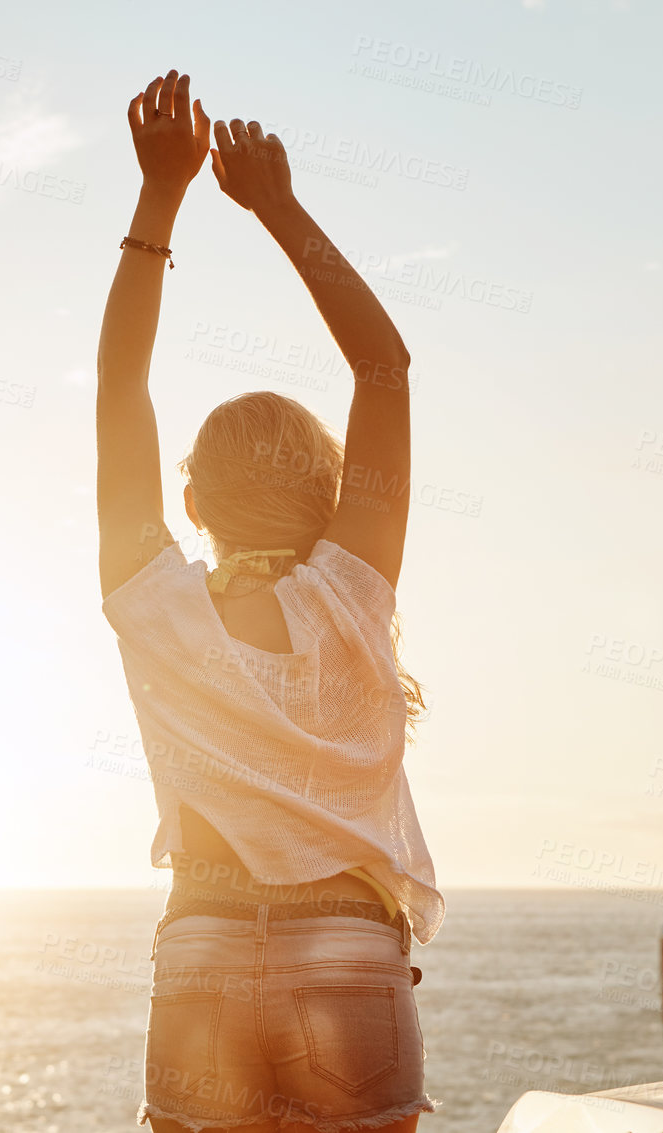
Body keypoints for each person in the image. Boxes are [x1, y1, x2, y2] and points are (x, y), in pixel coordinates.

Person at [97, 69, 444, 1133]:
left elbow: (121, 387)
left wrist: (163, 195)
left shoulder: (150, 598)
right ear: (334, 492)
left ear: (190, 498)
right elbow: (381, 368)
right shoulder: (354, 584)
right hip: (347, 951)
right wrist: (276, 205)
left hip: (200, 946)